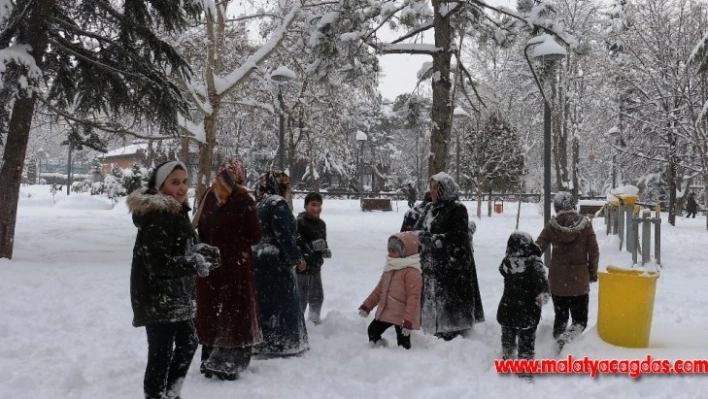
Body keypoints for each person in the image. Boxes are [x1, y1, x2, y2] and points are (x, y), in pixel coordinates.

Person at [127, 160, 221, 399]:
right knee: (161, 353)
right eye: (175, 182)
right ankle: (158, 396)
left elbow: (182, 248)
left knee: (188, 343)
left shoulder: (177, 212)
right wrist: (193, 263)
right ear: (161, 186)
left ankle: (171, 393)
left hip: (177, 294)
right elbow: (158, 264)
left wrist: (203, 251)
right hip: (157, 296)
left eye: (184, 182)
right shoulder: (157, 215)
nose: (181, 187)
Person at [194, 160, 263, 381]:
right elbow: (255, 235)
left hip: (211, 267)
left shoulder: (208, 196)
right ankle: (228, 363)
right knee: (234, 313)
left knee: (213, 310)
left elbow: (200, 228)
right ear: (240, 178)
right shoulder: (243, 200)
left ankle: (208, 360)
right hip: (235, 268)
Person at [414, 172, 484, 340]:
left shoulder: (457, 209)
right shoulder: (429, 209)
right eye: (430, 188)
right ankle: (434, 324)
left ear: (444, 190)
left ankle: (454, 327)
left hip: (453, 265)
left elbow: (459, 236)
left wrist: (437, 240)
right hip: (431, 263)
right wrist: (420, 237)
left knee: (451, 297)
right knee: (433, 296)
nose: (431, 192)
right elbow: (418, 229)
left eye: (435, 188)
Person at [252, 170, 309, 357]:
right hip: (275, 261)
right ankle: (283, 343)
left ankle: (264, 341)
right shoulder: (277, 203)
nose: (287, 188)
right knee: (282, 304)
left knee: (266, 304)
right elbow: (283, 235)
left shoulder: (260, 203)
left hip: (259, 259)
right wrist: (297, 258)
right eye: (284, 184)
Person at [536, 191, 599, 347]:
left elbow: (538, 247)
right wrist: (592, 272)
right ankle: (568, 340)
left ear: (556, 207)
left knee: (561, 318)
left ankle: (558, 341)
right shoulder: (585, 224)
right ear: (573, 205)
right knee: (580, 320)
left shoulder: (552, 226)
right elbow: (594, 250)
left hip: (557, 282)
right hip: (580, 281)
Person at [497, 231, 550, 380]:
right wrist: (542, 297)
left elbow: (501, 270)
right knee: (526, 342)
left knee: (507, 339)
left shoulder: (506, 262)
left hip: (507, 309)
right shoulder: (534, 263)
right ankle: (525, 371)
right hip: (527, 310)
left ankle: (507, 362)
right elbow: (544, 287)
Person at [358, 232, 422, 350]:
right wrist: (367, 305)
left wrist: (408, 321)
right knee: (372, 330)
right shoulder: (390, 268)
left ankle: (406, 362)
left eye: (394, 251)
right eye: (389, 250)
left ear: (404, 252)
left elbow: (413, 299)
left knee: (403, 344)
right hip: (387, 312)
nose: (390, 253)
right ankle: (379, 349)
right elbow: (379, 290)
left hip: (403, 316)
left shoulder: (412, 273)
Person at [295, 192, 332, 325]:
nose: (316, 208)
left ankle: (314, 321)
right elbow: (296, 245)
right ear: (306, 206)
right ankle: (297, 324)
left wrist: (325, 250)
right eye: (313, 205)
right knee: (301, 299)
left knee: (317, 297)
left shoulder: (321, 224)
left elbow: (323, 241)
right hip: (302, 269)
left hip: (316, 267)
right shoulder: (299, 223)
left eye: (319, 205)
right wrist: (311, 247)